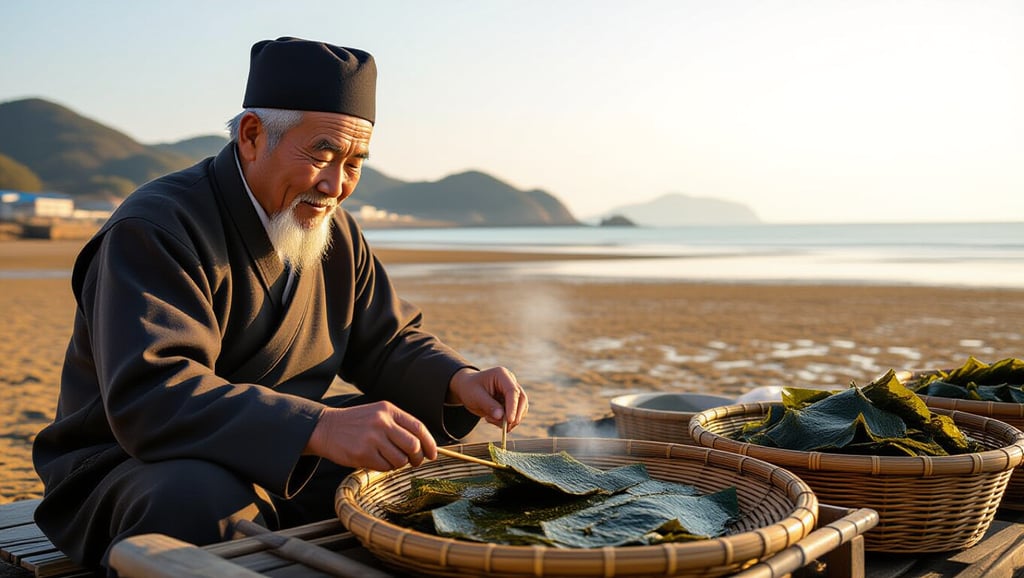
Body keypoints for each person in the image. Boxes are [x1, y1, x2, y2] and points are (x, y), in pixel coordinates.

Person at [31, 36, 528, 573]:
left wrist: (459, 380)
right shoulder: (154, 227)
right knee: (200, 497)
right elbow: (153, 392)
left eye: (355, 162)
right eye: (322, 153)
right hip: (129, 464)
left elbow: (386, 341)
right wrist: (317, 427)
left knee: (411, 463)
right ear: (251, 136)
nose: (336, 185)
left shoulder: (332, 229)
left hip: (276, 454)